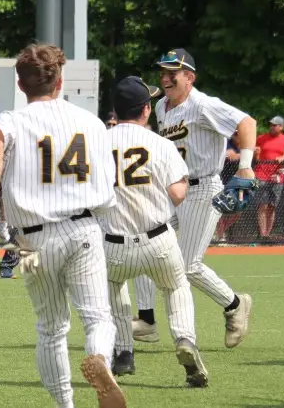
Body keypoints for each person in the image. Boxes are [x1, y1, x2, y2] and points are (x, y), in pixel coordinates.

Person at [0, 43, 125, 408]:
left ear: (20, 82)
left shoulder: (12, 120)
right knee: (98, 318)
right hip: (84, 228)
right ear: (59, 80)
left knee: (51, 328)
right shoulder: (91, 122)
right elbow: (109, 187)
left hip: (31, 238)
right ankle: (100, 360)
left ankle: (65, 405)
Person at [132, 48, 255, 348]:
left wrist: (246, 165)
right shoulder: (161, 107)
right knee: (144, 243)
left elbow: (247, 122)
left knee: (188, 265)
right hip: (175, 189)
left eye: (172, 73)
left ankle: (235, 304)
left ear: (190, 77)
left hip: (203, 189)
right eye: (162, 73)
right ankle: (146, 320)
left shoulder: (202, 104)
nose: (165, 78)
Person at [102, 76, 207, 387]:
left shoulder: (96, 142)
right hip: (158, 240)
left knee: (113, 287)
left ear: (115, 110)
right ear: (146, 110)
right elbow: (177, 194)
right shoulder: (160, 144)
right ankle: (185, 340)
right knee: (175, 288)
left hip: (113, 243)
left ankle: (123, 351)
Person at [254, 116, 284, 238]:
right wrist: (255, 154)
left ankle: (267, 234)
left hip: (277, 176)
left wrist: (282, 157)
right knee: (262, 205)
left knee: (272, 206)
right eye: (271, 125)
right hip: (261, 175)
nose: (272, 127)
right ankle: (262, 234)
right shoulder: (261, 138)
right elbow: (255, 155)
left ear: (281, 127)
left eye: (275, 125)